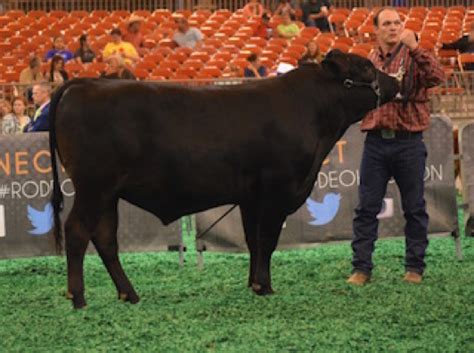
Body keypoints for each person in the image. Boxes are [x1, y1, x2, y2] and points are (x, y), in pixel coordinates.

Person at [347, 7, 445, 286]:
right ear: (376, 30)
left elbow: (438, 77)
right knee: (366, 208)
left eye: (397, 23)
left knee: (414, 207)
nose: (393, 27)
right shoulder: (368, 61)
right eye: (387, 23)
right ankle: (361, 269)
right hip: (376, 141)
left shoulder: (414, 55)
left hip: (408, 142)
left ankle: (415, 267)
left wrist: (416, 48)